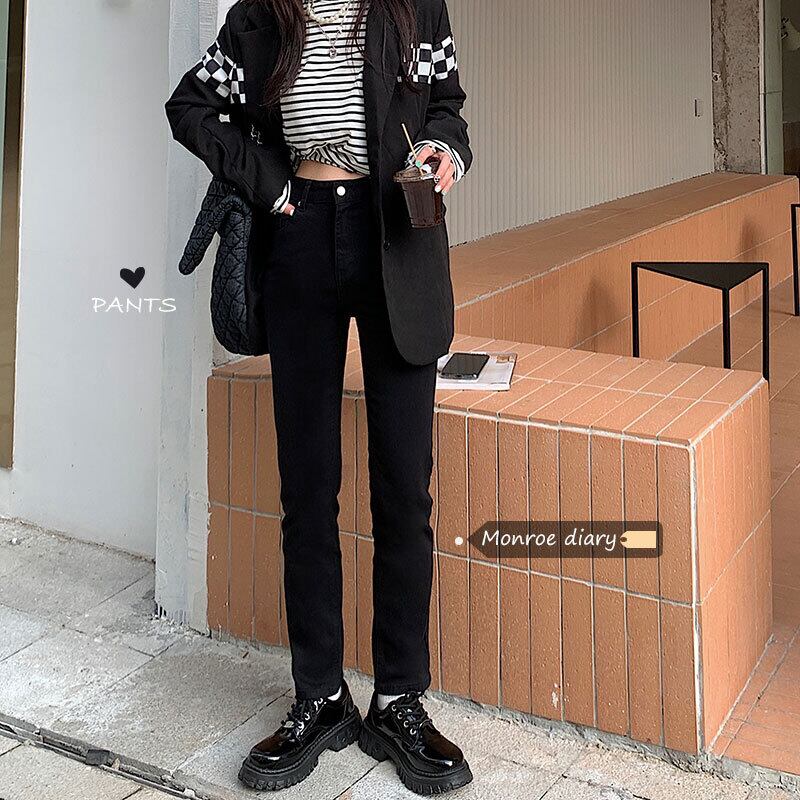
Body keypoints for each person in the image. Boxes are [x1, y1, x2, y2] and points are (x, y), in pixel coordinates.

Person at [165, 0, 473, 793]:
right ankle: (321, 696)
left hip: (395, 236)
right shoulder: (260, 15)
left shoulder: (413, 8)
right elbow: (191, 105)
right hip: (300, 235)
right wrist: (267, 183)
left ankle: (399, 699)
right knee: (306, 488)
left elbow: (446, 105)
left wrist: (442, 151)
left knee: (404, 488)